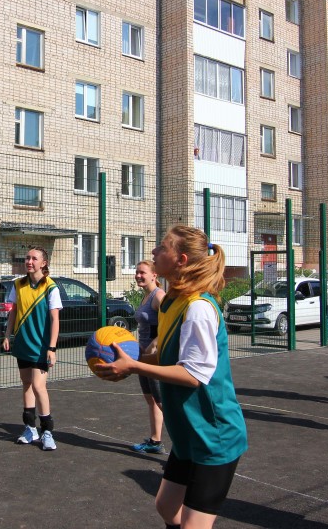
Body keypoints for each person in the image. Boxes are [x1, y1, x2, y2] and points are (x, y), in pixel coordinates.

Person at [97, 226, 247, 529]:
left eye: (162, 247)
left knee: (193, 525)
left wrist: (134, 367)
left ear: (181, 259)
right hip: (188, 435)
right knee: (166, 506)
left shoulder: (198, 307)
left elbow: (192, 375)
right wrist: (127, 360)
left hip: (214, 436)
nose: (154, 252)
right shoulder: (172, 302)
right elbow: (167, 357)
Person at [2, 246, 62, 451]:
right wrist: (7, 334)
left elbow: (55, 319)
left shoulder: (50, 287)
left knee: (38, 386)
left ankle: (47, 431)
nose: (29, 261)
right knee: (26, 384)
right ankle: (30, 428)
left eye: (34, 258)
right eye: (27, 258)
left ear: (43, 263)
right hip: (23, 342)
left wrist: (52, 347)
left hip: (41, 346)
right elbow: (13, 312)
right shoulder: (18, 284)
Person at [130, 259, 167, 454]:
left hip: (155, 359)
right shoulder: (145, 296)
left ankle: (186, 447)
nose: (138, 275)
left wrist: (155, 343)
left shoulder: (158, 296)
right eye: (137, 272)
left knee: (162, 402)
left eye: (142, 272)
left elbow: (172, 323)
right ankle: (155, 441)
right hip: (142, 356)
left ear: (154, 275)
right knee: (151, 400)